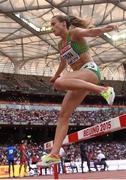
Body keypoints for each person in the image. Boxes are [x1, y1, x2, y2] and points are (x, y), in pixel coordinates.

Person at [40, 14, 117, 166]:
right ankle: (54, 154)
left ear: (63, 24)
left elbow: (90, 33)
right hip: (80, 79)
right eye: (51, 25)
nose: (52, 27)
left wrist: (104, 29)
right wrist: (55, 76)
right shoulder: (60, 44)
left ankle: (103, 89)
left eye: (54, 24)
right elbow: (63, 62)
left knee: (61, 82)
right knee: (63, 115)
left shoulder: (73, 33)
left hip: (90, 70)